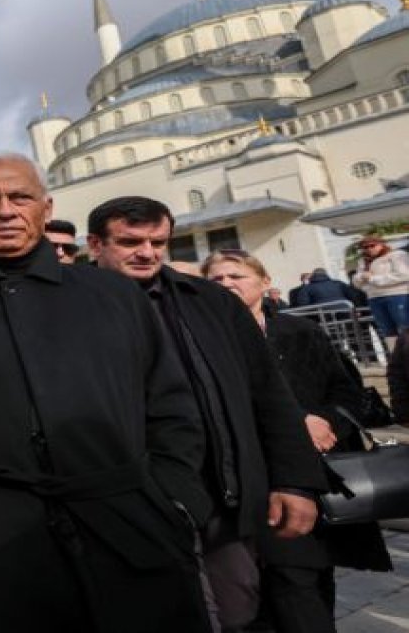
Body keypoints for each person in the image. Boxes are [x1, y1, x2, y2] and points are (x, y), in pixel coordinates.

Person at [0, 153, 210, 632]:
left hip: (124, 520)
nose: (5, 210)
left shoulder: (113, 294)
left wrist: (175, 500)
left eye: (20, 197)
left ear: (46, 208)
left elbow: (170, 403)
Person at [87, 197, 325, 633]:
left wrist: (295, 481)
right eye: (130, 241)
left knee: (238, 613)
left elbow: (268, 393)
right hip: (127, 502)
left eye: (158, 241)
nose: (147, 252)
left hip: (221, 496)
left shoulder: (210, 302)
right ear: (95, 245)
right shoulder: (70, 309)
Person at [202, 250, 391, 633]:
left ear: (264, 282)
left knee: (318, 575)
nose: (226, 285)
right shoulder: (204, 341)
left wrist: (326, 421)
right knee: (292, 579)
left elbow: (348, 390)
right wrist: (291, 424)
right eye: (216, 280)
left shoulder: (300, 332)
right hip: (263, 481)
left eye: (236, 276)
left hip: (323, 474)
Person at [353, 235, 409, 344]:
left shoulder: (397, 255)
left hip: (397, 295)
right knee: (387, 331)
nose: (369, 249)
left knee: (405, 327)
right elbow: (356, 281)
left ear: (381, 244)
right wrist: (363, 279)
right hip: (374, 298)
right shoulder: (363, 261)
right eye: (365, 247)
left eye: (372, 245)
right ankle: (396, 358)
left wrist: (373, 279)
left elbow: (404, 275)